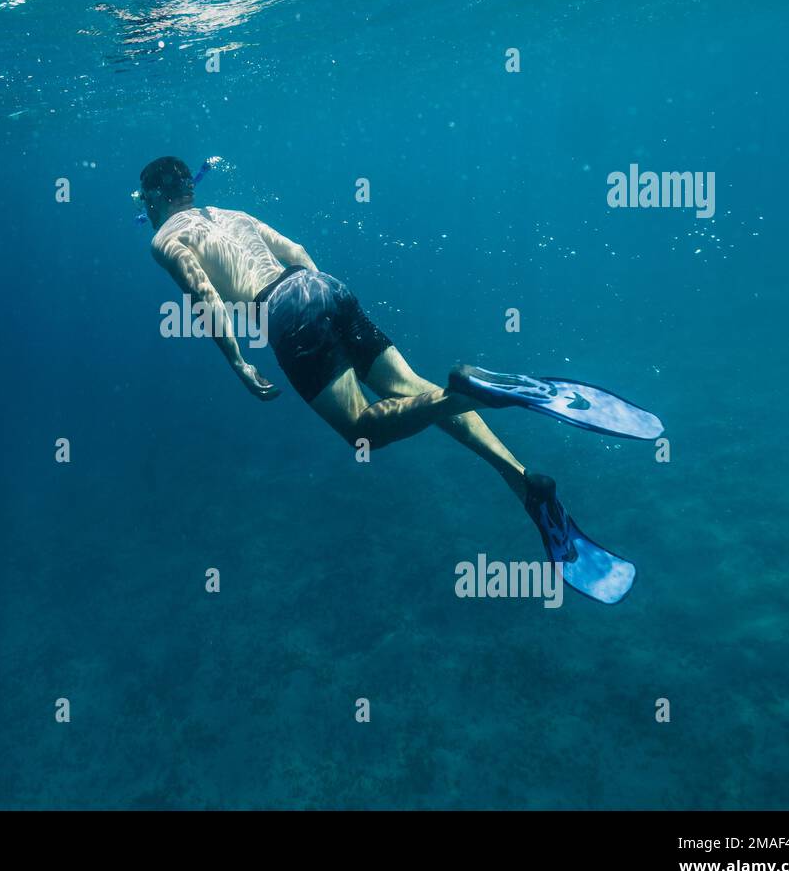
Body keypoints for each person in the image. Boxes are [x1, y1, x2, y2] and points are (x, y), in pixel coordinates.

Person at [138, 155, 650, 604]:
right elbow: (295, 250)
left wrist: (240, 363)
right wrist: (321, 305)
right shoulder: (231, 213)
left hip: (285, 310)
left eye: (146, 201)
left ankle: (472, 395)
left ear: (158, 196)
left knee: (363, 431)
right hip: (321, 286)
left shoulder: (165, 236)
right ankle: (522, 482)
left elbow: (203, 293)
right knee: (411, 390)